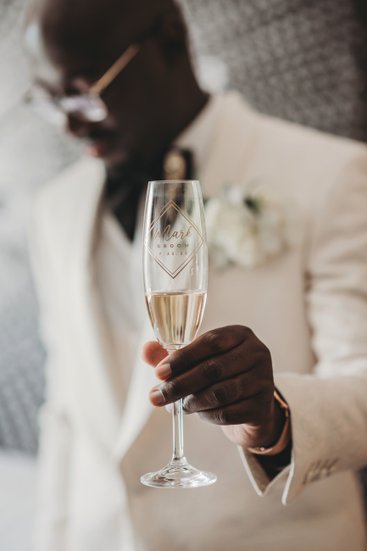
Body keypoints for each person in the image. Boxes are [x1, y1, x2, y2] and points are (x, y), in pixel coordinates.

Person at [26, 0, 367, 549]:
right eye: (48, 100)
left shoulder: (332, 173)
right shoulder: (54, 210)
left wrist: (273, 415)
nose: (67, 123)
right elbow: (65, 411)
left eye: (83, 90)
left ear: (165, 41)